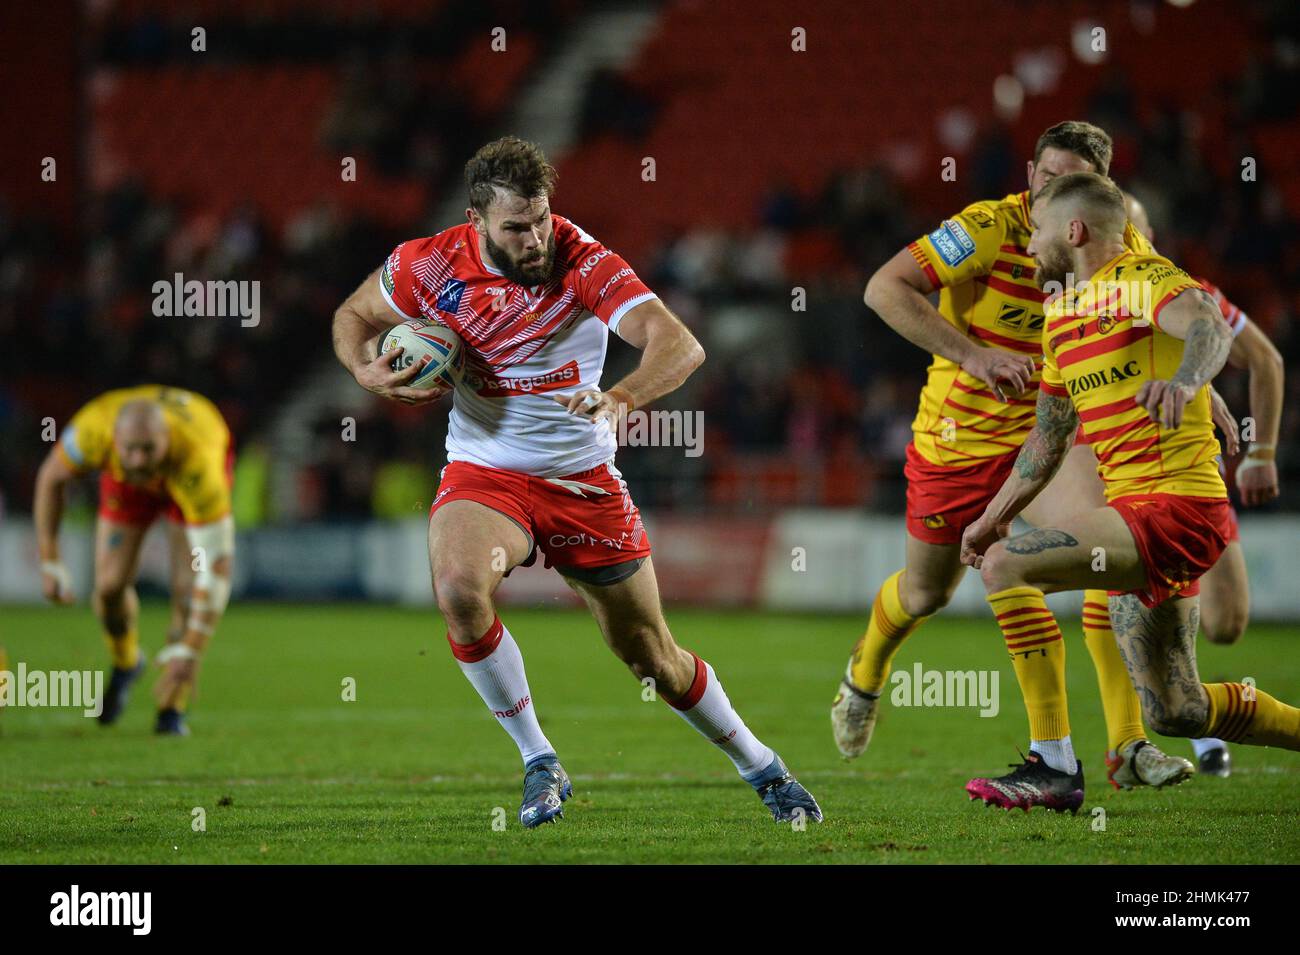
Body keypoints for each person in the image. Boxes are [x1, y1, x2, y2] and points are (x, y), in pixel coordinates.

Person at [332, 136, 820, 828]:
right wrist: (363, 370)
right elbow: (352, 315)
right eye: (515, 227)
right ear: (476, 221)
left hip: (581, 479)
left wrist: (621, 398)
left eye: (540, 218)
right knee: (459, 590)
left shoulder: (583, 259)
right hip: (486, 471)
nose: (534, 238)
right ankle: (539, 759)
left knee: (653, 658)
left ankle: (761, 763)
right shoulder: (428, 263)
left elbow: (679, 342)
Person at [832, 121, 1189, 791]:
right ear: (1029, 173)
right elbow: (883, 288)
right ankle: (866, 669)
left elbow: (1175, 316)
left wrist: (1198, 385)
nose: (1052, 189)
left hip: (1047, 437)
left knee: (1103, 550)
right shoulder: (985, 229)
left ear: (1098, 190)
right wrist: (974, 354)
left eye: (1070, 180)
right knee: (925, 592)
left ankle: (1124, 746)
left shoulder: (1120, 246)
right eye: (1045, 175)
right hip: (958, 439)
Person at [959, 171, 1299, 811]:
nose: (1028, 247)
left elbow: (1208, 328)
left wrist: (1190, 382)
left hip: (1178, 505)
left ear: (1074, 231)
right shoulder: (1060, 317)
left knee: (1007, 568)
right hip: (1135, 513)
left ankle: (1052, 768)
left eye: (1035, 233)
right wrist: (991, 517)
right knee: (1178, 710)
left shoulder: (1142, 279)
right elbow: (1047, 441)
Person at [34, 385, 236, 735]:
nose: (140, 459)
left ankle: (172, 707)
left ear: (166, 437)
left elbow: (216, 568)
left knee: (188, 589)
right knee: (109, 588)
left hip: (181, 477)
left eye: (148, 448)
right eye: (132, 449)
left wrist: (192, 650)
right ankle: (127, 661)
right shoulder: (92, 430)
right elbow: (50, 479)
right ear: (114, 440)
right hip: (125, 484)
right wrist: (50, 560)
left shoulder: (198, 462)